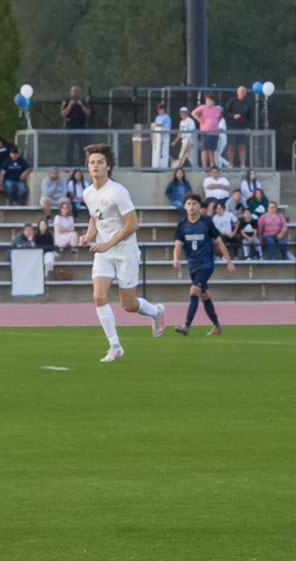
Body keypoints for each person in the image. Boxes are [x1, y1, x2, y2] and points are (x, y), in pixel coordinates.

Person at [78, 142, 166, 362]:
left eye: (100, 162)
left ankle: (156, 312)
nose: (95, 166)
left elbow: (133, 224)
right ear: (88, 167)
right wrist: (88, 236)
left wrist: (109, 243)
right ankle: (115, 346)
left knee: (128, 305)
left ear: (108, 167)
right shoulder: (88, 193)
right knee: (98, 296)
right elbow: (94, 217)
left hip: (125, 251)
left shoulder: (118, 191)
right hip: (104, 252)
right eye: (92, 163)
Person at [172, 192, 235, 336]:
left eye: (194, 204)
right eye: (189, 204)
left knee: (194, 290)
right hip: (192, 265)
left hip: (206, 264)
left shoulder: (206, 222)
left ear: (199, 206)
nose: (191, 206)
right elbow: (178, 245)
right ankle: (217, 326)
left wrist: (229, 262)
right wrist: (175, 258)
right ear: (185, 207)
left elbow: (219, 242)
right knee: (204, 295)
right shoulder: (182, 225)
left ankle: (186, 325)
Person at [61, 85, 91, 166]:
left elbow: (88, 113)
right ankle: (68, 166)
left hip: (81, 126)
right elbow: (63, 114)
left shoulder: (83, 101)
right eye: (73, 91)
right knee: (69, 147)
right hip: (70, 127)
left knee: (83, 147)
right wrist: (70, 105)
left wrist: (81, 105)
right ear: (71, 92)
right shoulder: (67, 101)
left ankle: (83, 165)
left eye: (77, 91)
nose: (75, 93)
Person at [192, 92, 223, 170]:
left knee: (212, 150)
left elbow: (219, 118)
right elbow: (193, 113)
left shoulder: (217, 109)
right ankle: (204, 166)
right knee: (205, 149)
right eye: (207, 100)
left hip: (214, 133)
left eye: (209, 100)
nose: (208, 102)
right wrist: (199, 119)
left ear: (213, 101)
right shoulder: (202, 107)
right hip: (205, 132)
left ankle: (212, 165)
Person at [223, 86, 252, 168]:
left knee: (242, 146)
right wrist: (233, 116)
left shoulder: (248, 103)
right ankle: (230, 164)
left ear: (245, 93)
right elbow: (226, 113)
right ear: (237, 92)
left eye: (244, 91)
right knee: (230, 146)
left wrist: (248, 127)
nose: (242, 93)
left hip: (243, 128)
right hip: (231, 127)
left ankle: (242, 165)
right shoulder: (232, 101)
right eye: (241, 91)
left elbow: (250, 117)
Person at [151, 103, 172, 169]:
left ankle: (163, 166)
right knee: (156, 153)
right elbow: (154, 127)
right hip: (157, 138)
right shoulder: (157, 117)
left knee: (162, 152)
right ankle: (155, 166)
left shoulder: (167, 117)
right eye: (159, 109)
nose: (160, 110)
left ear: (163, 109)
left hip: (164, 138)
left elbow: (168, 128)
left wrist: (162, 132)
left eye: (161, 109)